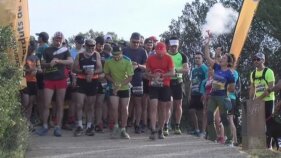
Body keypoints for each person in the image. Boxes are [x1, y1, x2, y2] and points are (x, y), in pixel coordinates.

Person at [36, 31, 73, 137]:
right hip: (49, 79)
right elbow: (42, 64)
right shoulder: (47, 50)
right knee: (46, 104)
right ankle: (45, 126)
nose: (58, 40)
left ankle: (58, 127)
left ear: (63, 39)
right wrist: (49, 64)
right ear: (53, 39)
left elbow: (70, 61)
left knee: (60, 104)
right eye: (56, 39)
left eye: (60, 39)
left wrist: (59, 61)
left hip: (61, 79)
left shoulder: (66, 50)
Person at [204, 35, 235, 146]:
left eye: (224, 58)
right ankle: (212, 138)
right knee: (209, 115)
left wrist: (225, 90)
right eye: (221, 58)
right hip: (213, 96)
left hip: (222, 97)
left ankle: (230, 140)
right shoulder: (216, 67)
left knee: (224, 118)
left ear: (228, 62)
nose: (221, 59)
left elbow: (232, 88)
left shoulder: (230, 74)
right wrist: (207, 42)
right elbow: (207, 56)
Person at [73, 39, 102, 136]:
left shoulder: (96, 54)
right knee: (79, 104)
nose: (91, 48)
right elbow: (74, 68)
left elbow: (100, 68)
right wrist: (84, 72)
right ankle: (79, 125)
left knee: (90, 105)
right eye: (89, 46)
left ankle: (89, 126)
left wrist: (92, 72)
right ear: (85, 46)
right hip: (81, 81)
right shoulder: (79, 55)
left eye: (93, 46)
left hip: (93, 81)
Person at [146, 42, 175, 140]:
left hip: (165, 85)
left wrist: (163, 75)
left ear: (165, 51)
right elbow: (146, 72)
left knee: (163, 108)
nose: (160, 54)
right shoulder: (150, 58)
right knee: (153, 106)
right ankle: (153, 129)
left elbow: (172, 72)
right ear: (155, 51)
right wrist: (153, 76)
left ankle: (161, 129)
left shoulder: (168, 58)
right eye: (158, 52)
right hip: (153, 85)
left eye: (161, 52)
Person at [104, 46, 134, 139]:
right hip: (113, 86)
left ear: (121, 53)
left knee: (124, 108)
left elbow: (130, 77)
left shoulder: (127, 60)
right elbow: (106, 74)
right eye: (114, 55)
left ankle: (123, 129)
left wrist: (120, 85)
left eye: (118, 55)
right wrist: (113, 82)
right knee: (114, 107)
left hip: (125, 86)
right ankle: (116, 126)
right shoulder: (108, 60)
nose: (116, 57)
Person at [249, 52, 275, 149]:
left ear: (263, 60)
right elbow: (252, 88)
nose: (255, 61)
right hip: (257, 102)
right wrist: (251, 100)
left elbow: (271, 88)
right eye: (254, 59)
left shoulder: (269, 72)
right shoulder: (253, 74)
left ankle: (269, 146)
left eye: (258, 59)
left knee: (268, 123)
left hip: (268, 101)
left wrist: (259, 99)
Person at [165, 37, 189, 135]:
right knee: (168, 104)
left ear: (178, 46)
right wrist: (171, 72)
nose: (174, 48)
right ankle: (166, 125)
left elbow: (186, 70)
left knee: (178, 104)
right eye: (172, 46)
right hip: (167, 82)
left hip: (178, 82)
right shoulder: (165, 55)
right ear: (169, 46)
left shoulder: (183, 56)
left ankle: (177, 125)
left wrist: (174, 71)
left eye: (176, 46)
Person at [64, 35, 85, 130]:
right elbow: (70, 66)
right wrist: (73, 76)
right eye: (78, 42)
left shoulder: (85, 51)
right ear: (75, 42)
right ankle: (71, 120)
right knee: (74, 100)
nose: (80, 44)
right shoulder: (71, 51)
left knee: (82, 101)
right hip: (73, 76)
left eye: (81, 43)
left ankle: (79, 119)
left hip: (84, 77)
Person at [22, 39, 41, 130]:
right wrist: (28, 71)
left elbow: (40, 69)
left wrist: (36, 70)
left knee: (30, 104)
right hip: (24, 82)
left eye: (34, 48)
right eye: (31, 47)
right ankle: (21, 121)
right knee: (25, 103)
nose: (32, 50)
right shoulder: (23, 56)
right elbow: (19, 69)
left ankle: (27, 122)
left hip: (33, 82)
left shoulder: (36, 58)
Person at [188, 52, 208, 137]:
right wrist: (189, 93)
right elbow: (191, 82)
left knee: (201, 113)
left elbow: (207, 81)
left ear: (202, 59)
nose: (197, 59)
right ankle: (196, 129)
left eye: (198, 58)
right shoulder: (193, 69)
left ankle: (203, 132)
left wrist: (205, 93)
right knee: (191, 111)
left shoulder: (205, 68)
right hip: (193, 93)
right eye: (195, 58)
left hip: (201, 93)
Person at [35, 32, 49, 122]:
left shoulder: (46, 47)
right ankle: (40, 118)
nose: (38, 38)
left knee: (43, 99)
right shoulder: (38, 47)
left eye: (39, 36)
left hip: (43, 75)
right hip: (36, 74)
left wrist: (44, 71)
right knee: (39, 98)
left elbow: (46, 61)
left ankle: (45, 119)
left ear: (42, 38)